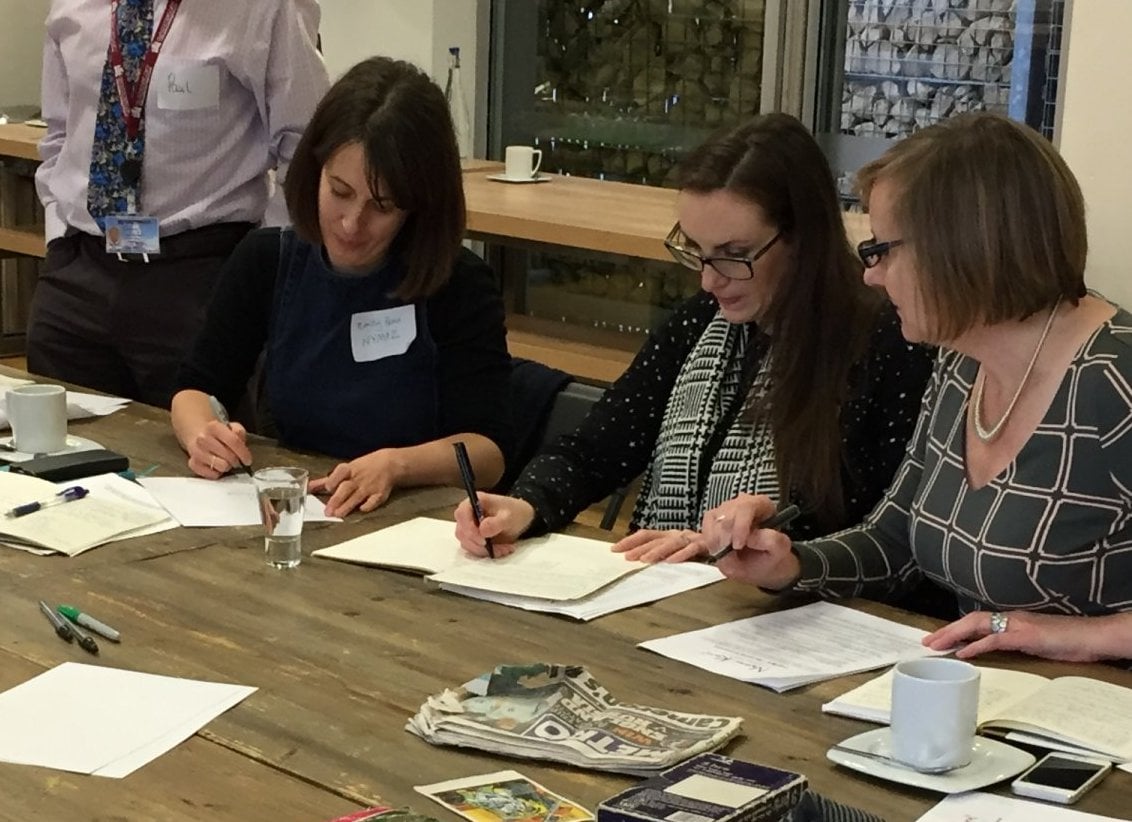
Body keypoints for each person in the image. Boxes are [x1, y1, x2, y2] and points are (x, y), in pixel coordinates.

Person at [701, 112, 1132, 664]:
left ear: (963, 246)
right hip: (989, 701)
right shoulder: (960, 360)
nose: (870, 275)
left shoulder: (1112, 375)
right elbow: (897, 538)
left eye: (883, 250)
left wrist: (1077, 637)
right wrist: (790, 565)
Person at [455, 114, 934, 559]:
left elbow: (878, 531)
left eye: (733, 254)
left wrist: (729, 547)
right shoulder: (702, 324)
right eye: (697, 251)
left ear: (803, 238)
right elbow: (596, 448)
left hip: (796, 615)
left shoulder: (885, 341)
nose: (710, 280)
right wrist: (526, 504)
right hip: (684, 600)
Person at [170, 57, 511, 518]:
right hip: (299, 509)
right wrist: (202, 434)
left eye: (382, 206)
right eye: (340, 191)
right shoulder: (266, 261)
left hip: (414, 519)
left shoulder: (458, 284)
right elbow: (195, 388)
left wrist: (398, 465)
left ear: (417, 206)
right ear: (315, 171)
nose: (352, 223)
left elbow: (487, 453)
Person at [32, 0, 329, 407]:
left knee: (203, 456)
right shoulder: (73, 5)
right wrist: (58, 240)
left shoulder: (265, 7)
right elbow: (59, 132)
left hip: (200, 276)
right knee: (55, 453)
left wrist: (260, 265)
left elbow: (307, 145)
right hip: (79, 273)